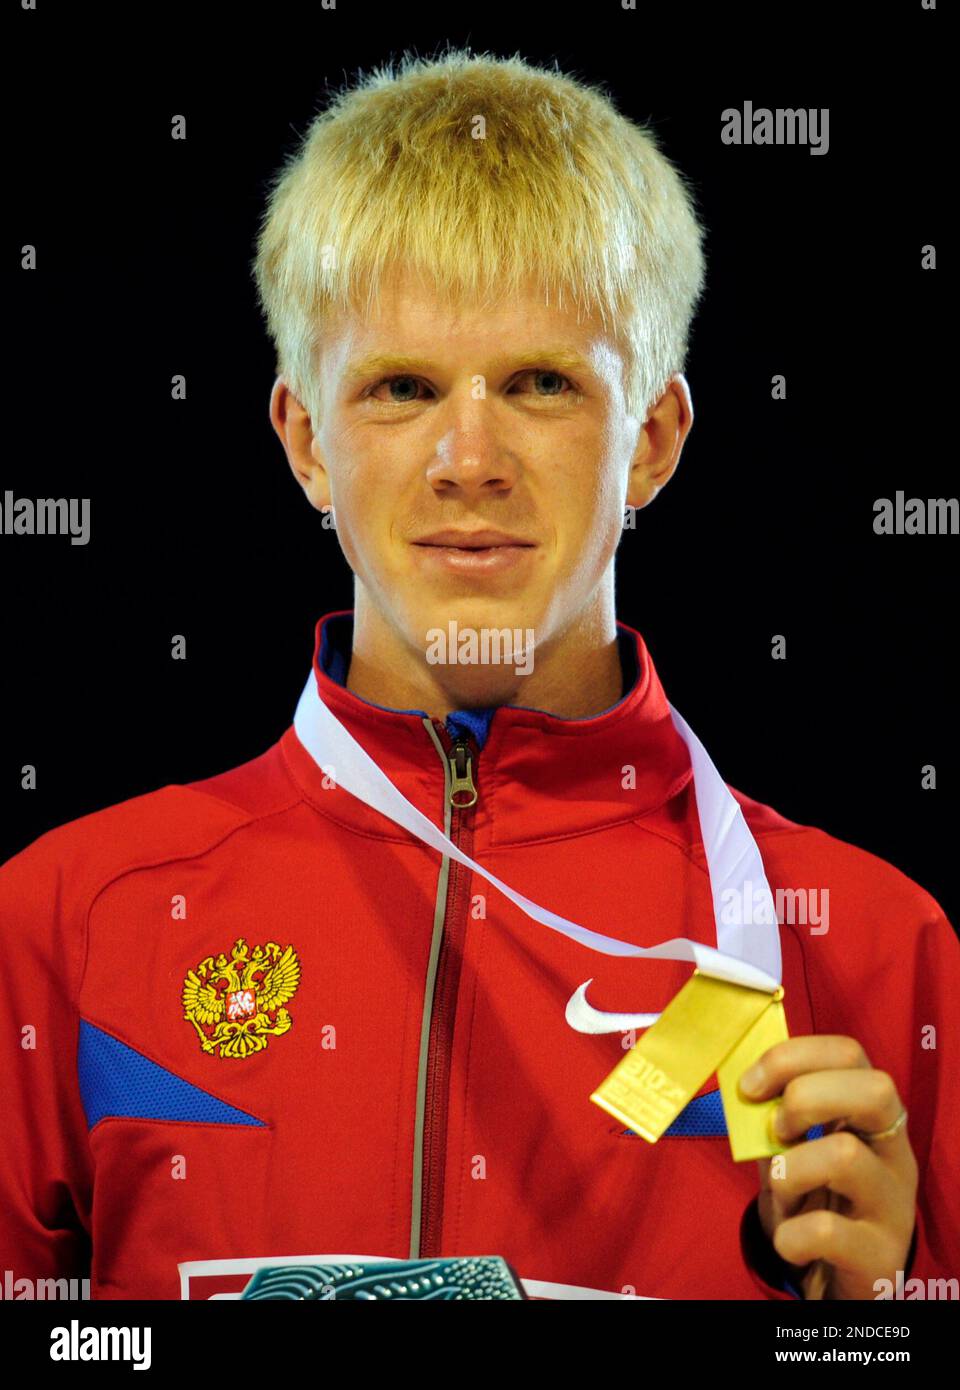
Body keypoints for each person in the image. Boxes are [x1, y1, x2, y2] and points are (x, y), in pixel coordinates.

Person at [1, 49, 957, 1302]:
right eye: (402, 387)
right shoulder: (69, 918)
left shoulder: (878, 947)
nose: (469, 457)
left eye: (540, 385)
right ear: (305, 444)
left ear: (652, 443)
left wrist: (874, 1335)